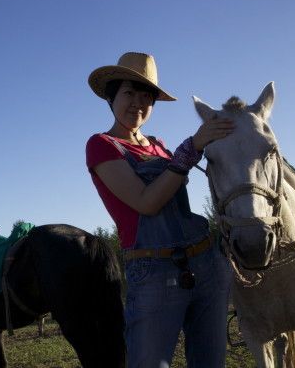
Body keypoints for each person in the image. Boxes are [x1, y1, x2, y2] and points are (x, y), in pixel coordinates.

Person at [86, 52, 233, 367]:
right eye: (129, 93)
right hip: (154, 271)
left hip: (207, 265)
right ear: (111, 98)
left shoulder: (159, 146)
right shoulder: (102, 145)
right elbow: (146, 202)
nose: (138, 102)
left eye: (146, 96)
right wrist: (191, 149)